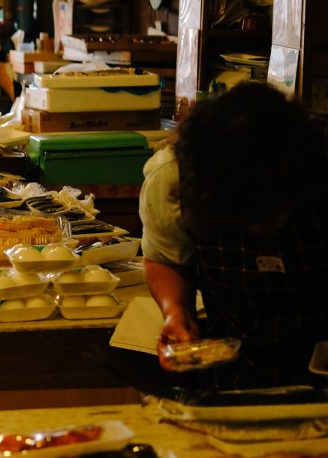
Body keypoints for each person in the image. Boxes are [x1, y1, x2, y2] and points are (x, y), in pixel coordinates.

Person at [140, 82, 328, 385]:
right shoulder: (173, 179)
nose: (259, 230)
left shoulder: (319, 167)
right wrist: (175, 311)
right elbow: (167, 259)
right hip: (230, 368)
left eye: (270, 209)